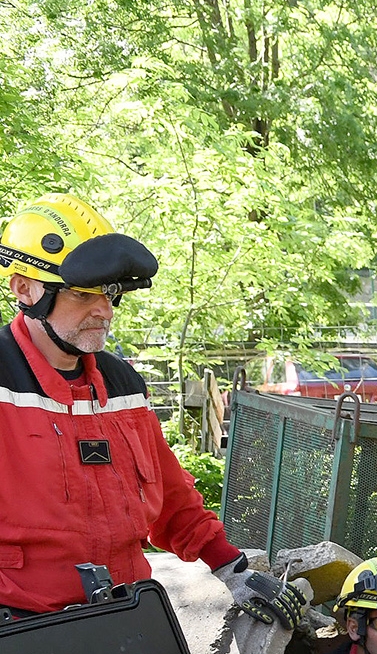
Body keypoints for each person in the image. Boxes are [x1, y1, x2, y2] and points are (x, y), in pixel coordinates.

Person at [0, 194, 303, 626]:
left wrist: (232, 570)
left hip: (124, 614)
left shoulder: (122, 385)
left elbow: (168, 494)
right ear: (25, 289)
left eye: (109, 293)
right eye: (84, 293)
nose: (103, 309)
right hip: (21, 629)